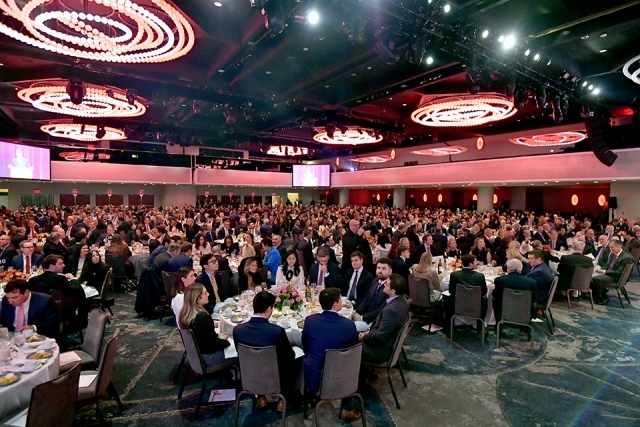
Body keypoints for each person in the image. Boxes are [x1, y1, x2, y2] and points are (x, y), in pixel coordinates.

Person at [302, 288, 361, 422]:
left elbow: (305, 346)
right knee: (351, 362)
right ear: (335, 304)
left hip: (314, 376)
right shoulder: (348, 325)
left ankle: (313, 396)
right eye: (340, 300)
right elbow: (354, 350)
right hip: (342, 379)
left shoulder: (310, 321)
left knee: (309, 358)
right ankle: (346, 408)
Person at [233, 292, 296, 410]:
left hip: (249, 377)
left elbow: (240, 353)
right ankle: (283, 399)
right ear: (268, 309)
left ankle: (261, 397)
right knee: (294, 362)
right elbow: (288, 357)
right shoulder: (277, 331)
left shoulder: (238, 330)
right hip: (273, 378)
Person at [360, 273, 410, 365]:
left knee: (348, 343)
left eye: (386, 284)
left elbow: (380, 337)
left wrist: (365, 337)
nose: (384, 285)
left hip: (378, 351)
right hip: (384, 342)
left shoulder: (391, 311)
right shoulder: (401, 301)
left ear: (393, 291)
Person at [178, 284, 233, 367]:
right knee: (239, 347)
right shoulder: (202, 317)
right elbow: (213, 345)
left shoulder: (185, 314)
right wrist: (225, 341)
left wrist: (217, 337)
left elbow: (205, 337)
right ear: (197, 298)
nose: (208, 294)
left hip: (198, 354)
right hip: (209, 357)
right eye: (205, 293)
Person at [591, 239, 634, 305]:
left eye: (612, 247)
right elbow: (607, 265)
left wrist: (603, 271)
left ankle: (603, 297)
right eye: (610, 247)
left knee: (596, 279)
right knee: (591, 276)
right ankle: (597, 295)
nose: (610, 249)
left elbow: (618, 272)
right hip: (610, 273)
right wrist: (601, 269)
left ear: (619, 246)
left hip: (617, 277)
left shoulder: (626, 258)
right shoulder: (613, 254)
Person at [447, 254, 487, 320]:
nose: (476, 264)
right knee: (485, 298)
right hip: (475, 305)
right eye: (475, 262)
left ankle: (449, 322)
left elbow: (451, 291)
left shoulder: (454, 275)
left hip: (458, 303)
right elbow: (484, 292)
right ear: (471, 264)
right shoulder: (480, 276)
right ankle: (480, 323)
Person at [354, 258, 393, 326]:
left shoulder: (390, 288)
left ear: (390, 271)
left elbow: (381, 310)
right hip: (365, 314)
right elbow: (367, 298)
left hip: (376, 322)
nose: (380, 271)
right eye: (378, 268)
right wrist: (358, 312)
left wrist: (362, 318)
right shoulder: (375, 280)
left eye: (384, 269)